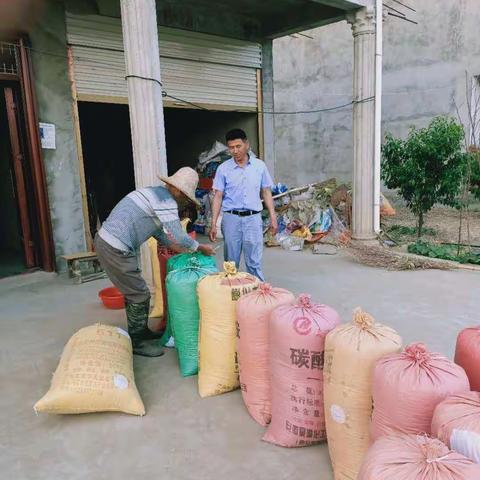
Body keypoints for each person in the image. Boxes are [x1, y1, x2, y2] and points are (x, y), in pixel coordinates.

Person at [95, 167, 214, 358]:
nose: (184, 201)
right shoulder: (165, 200)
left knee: (134, 291)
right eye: (184, 196)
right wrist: (200, 247)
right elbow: (178, 235)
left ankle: (140, 332)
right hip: (114, 247)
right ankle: (138, 342)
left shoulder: (154, 195)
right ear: (177, 190)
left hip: (109, 243)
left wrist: (181, 250)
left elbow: (161, 235)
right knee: (140, 294)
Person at [209, 129, 277, 281]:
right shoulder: (223, 169)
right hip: (231, 219)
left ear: (247, 144)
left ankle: (257, 294)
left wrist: (273, 217)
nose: (235, 151)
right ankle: (232, 293)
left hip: (253, 219)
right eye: (231, 147)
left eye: (238, 146)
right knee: (231, 262)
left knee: (254, 261)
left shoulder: (259, 166)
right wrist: (213, 223)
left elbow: (266, 192)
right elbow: (218, 196)